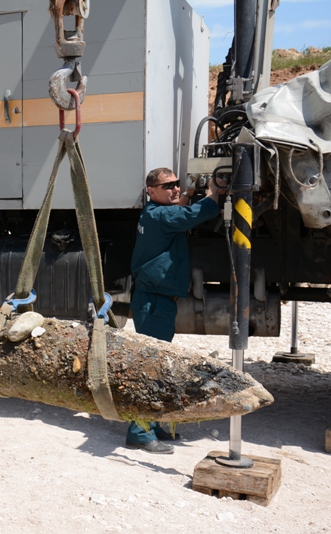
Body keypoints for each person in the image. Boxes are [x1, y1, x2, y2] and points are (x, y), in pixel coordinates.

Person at [126, 167, 223, 454]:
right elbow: (195, 214)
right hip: (153, 301)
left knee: (159, 366)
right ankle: (139, 434)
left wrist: (189, 195)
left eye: (177, 184)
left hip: (157, 300)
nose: (175, 189)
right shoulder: (160, 215)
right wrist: (213, 194)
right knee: (150, 368)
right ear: (151, 192)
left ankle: (153, 425)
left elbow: (182, 209)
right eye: (167, 186)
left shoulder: (156, 214)